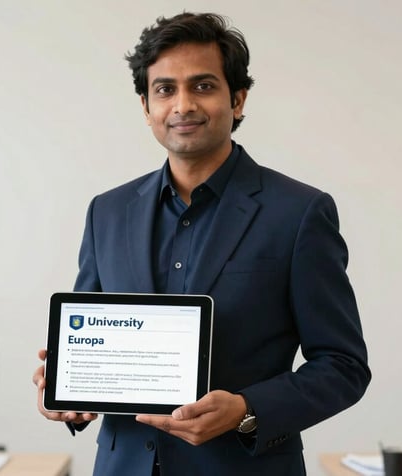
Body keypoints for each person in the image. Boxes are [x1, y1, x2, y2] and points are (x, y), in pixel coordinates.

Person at [33, 12, 370, 476]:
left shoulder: (298, 213)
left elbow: (343, 365)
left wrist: (247, 409)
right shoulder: (106, 212)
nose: (183, 104)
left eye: (203, 86)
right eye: (165, 89)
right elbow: (92, 335)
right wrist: (66, 388)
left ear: (237, 98)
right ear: (146, 106)